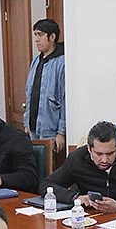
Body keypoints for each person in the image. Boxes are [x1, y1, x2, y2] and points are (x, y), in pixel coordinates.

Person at [42, 121, 116, 212]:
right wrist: (76, 198)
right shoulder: (77, 159)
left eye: (110, 153)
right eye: (98, 154)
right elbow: (46, 185)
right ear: (89, 149)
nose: (104, 160)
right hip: (87, 218)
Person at [24, 19, 66, 154]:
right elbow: (29, 92)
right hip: (33, 126)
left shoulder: (61, 62)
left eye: (40, 35)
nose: (36, 39)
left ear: (52, 37)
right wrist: (27, 122)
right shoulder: (36, 61)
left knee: (48, 163)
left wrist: (61, 132)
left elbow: (64, 99)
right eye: (35, 34)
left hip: (50, 129)